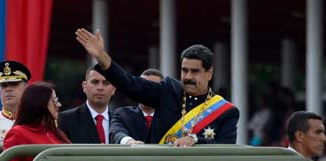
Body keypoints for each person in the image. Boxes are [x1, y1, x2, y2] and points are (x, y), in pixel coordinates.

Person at [76, 28, 239, 146]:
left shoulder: (226, 111)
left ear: (209, 73)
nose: (188, 77)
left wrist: (195, 140)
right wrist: (102, 57)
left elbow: (226, 150)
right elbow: (130, 84)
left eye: (195, 71)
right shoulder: (168, 90)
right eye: (184, 70)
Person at [57, 65, 116, 144]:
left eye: (106, 83)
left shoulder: (121, 121)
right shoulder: (66, 119)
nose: (100, 87)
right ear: (84, 86)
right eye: (95, 82)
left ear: (113, 89)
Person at [110, 68, 163, 144]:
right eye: (143, 86)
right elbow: (117, 132)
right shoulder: (122, 114)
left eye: (152, 87)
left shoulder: (173, 117)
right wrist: (129, 141)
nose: (147, 91)